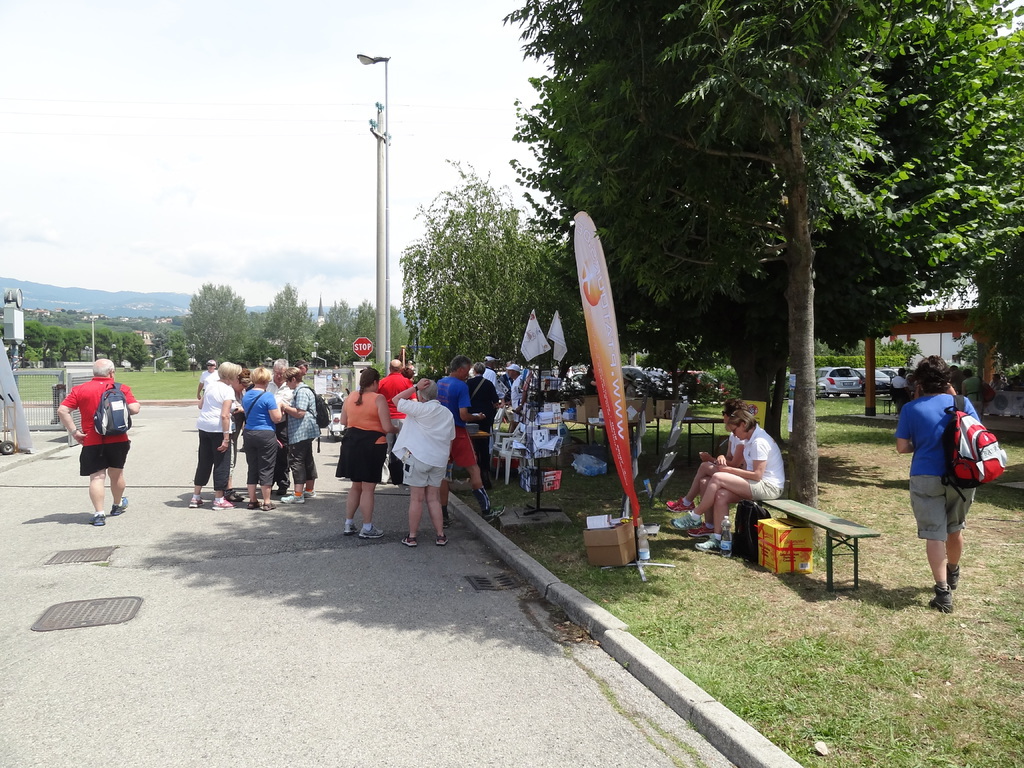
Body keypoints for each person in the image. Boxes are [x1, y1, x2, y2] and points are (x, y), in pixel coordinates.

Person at [895, 355, 977, 613]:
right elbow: (977, 435)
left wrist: (921, 444)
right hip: (962, 476)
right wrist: (952, 393)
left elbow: (902, 447)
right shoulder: (962, 403)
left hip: (926, 476)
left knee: (934, 534)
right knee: (955, 529)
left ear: (919, 381)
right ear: (947, 379)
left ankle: (942, 592)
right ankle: (953, 571)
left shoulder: (911, 409)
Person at [675, 409, 785, 552]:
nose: (734, 434)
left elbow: (757, 475)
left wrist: (728, 470)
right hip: (758, 484)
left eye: (734, 430)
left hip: (769, 487)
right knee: (721, 495)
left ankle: (695, 515)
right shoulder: (751, 439)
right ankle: (718, 538)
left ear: (743, 424)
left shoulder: (759, 442)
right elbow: (747, 470)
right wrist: (727, 467)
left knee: (718, 477)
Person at [57, 358, 142, 526]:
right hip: (118, 439)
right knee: (116, 474)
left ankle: (99, 514)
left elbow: (62, 410)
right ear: (111, 372)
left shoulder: (80, 389)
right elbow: (134, 408)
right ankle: (117, 505)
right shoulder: (121, 388)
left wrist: (74, 432)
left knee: (97, 477)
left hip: (92, 439)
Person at [391, 378, 456, 547]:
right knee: (433, 499)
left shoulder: (419, 409)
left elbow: (396, 400)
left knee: (416, 499)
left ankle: (412, 537)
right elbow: (450, 439)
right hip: (439, 460)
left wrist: (414, 387)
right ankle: (440, 535)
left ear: (420, 395)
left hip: (418, 458)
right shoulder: (447, 413)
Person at [438, 355, 500, 526]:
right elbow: (464, 415)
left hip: (441, 432)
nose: (468, 374)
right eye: (466, 371)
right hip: (457, 431)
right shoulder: (461, 386)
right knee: (474, 468)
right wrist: (477, 417)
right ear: (460, 369)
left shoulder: (441, 383)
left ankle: (443, 515)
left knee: (443, 475)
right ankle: (486, 510)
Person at [336, 367, 396, 538]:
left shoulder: (350, 397)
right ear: (375, 382)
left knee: (355, 486)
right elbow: (387, 427)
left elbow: (343, 421)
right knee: (368, 488)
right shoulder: (378, 398)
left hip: (351, 442)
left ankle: (348, 524)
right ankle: (367, 527)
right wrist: (398, 429)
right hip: (373, 444)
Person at [667, 398, 750, 515]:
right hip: (732, 471)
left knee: (705, 466)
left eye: (723, 413)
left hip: (740, 475)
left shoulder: (741, 438)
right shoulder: (733, 435)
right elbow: (728, 457)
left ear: (730, 416)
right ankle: (709, 523)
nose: (723, 417)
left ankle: (687, 502)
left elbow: (735, 464)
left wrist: (711, 459)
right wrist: (720, 457)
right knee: (704, 481)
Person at [190, 361, 241, 509]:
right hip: (218, 428)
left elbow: (200, 405)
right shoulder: (227, 390)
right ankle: (219, 499)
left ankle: (196, 496)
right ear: (231, 375)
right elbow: (224, 415)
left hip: (204, 426)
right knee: (221, 463)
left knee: (204, 461)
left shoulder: (210, 385)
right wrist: (226, 438)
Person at [241, 366, 284, 511]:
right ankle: (266, 501)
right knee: (266, 466)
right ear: (267, 380)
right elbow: (276, 418)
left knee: (252, 466)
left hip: (249, 432)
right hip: (265, 433)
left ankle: (252, 500)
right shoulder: (268, 396)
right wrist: (279, 407)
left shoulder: (246, 395)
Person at [278, 366, 320, 504]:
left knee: (296, 462)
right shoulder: (305, 389)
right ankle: (309, 490)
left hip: (301, 431)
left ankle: (298, 494)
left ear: (293, 379)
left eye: (287, 381)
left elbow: (300, 412)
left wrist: (284, 407)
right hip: (307, 431)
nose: (286, 384)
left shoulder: (301, 391)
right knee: (307, 460)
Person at [376, 358, 414, 485]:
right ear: (401, 369)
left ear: (390, 368)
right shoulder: (407, 382)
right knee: (403, 447)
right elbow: (414, 401)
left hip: (386, 418)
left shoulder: (382, 382)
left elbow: (376, 400)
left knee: (386, 447)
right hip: (403, 418)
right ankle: (403, 475)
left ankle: (384, 476)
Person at [469, 362, 501, 488]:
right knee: (484, 444)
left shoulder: (469, 383)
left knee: (473, 444)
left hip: (472, 415)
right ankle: (485, 473)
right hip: (486, 416)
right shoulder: (488, 384)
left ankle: (475, 472)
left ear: (474, 370)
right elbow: (495, 400)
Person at [268, 358, 293, 496]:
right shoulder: (267, 384)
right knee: (268, 454)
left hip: (283, 423)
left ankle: (283, 483)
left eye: (281, 373)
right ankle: (268, 482)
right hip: (268, 423)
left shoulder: (290, 386)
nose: (278, 376)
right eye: (276, 372)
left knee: (283, 454)